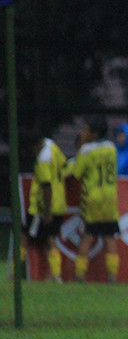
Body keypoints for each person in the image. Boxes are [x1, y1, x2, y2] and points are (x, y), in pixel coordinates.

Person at [66, 115, 121, 283]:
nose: (82, 133)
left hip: (93, 197)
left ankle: (80, 275)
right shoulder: (111, 148)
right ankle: (112, 276)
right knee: (110, 237)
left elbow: (76, 173)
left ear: (94, 134)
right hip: (110, 197)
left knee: (88, 235)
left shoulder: (86, 150)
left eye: (85, 130)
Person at [23, 131, 68, 282]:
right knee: (50, 238)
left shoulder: (43, 160)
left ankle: (14, 273)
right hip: (59, 202)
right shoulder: (51, 145)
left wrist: (46, 212)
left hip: (42, 207)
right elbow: (63, 164)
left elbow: (46, 186)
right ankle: (56, 275)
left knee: (24, 235)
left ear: (35, 146)